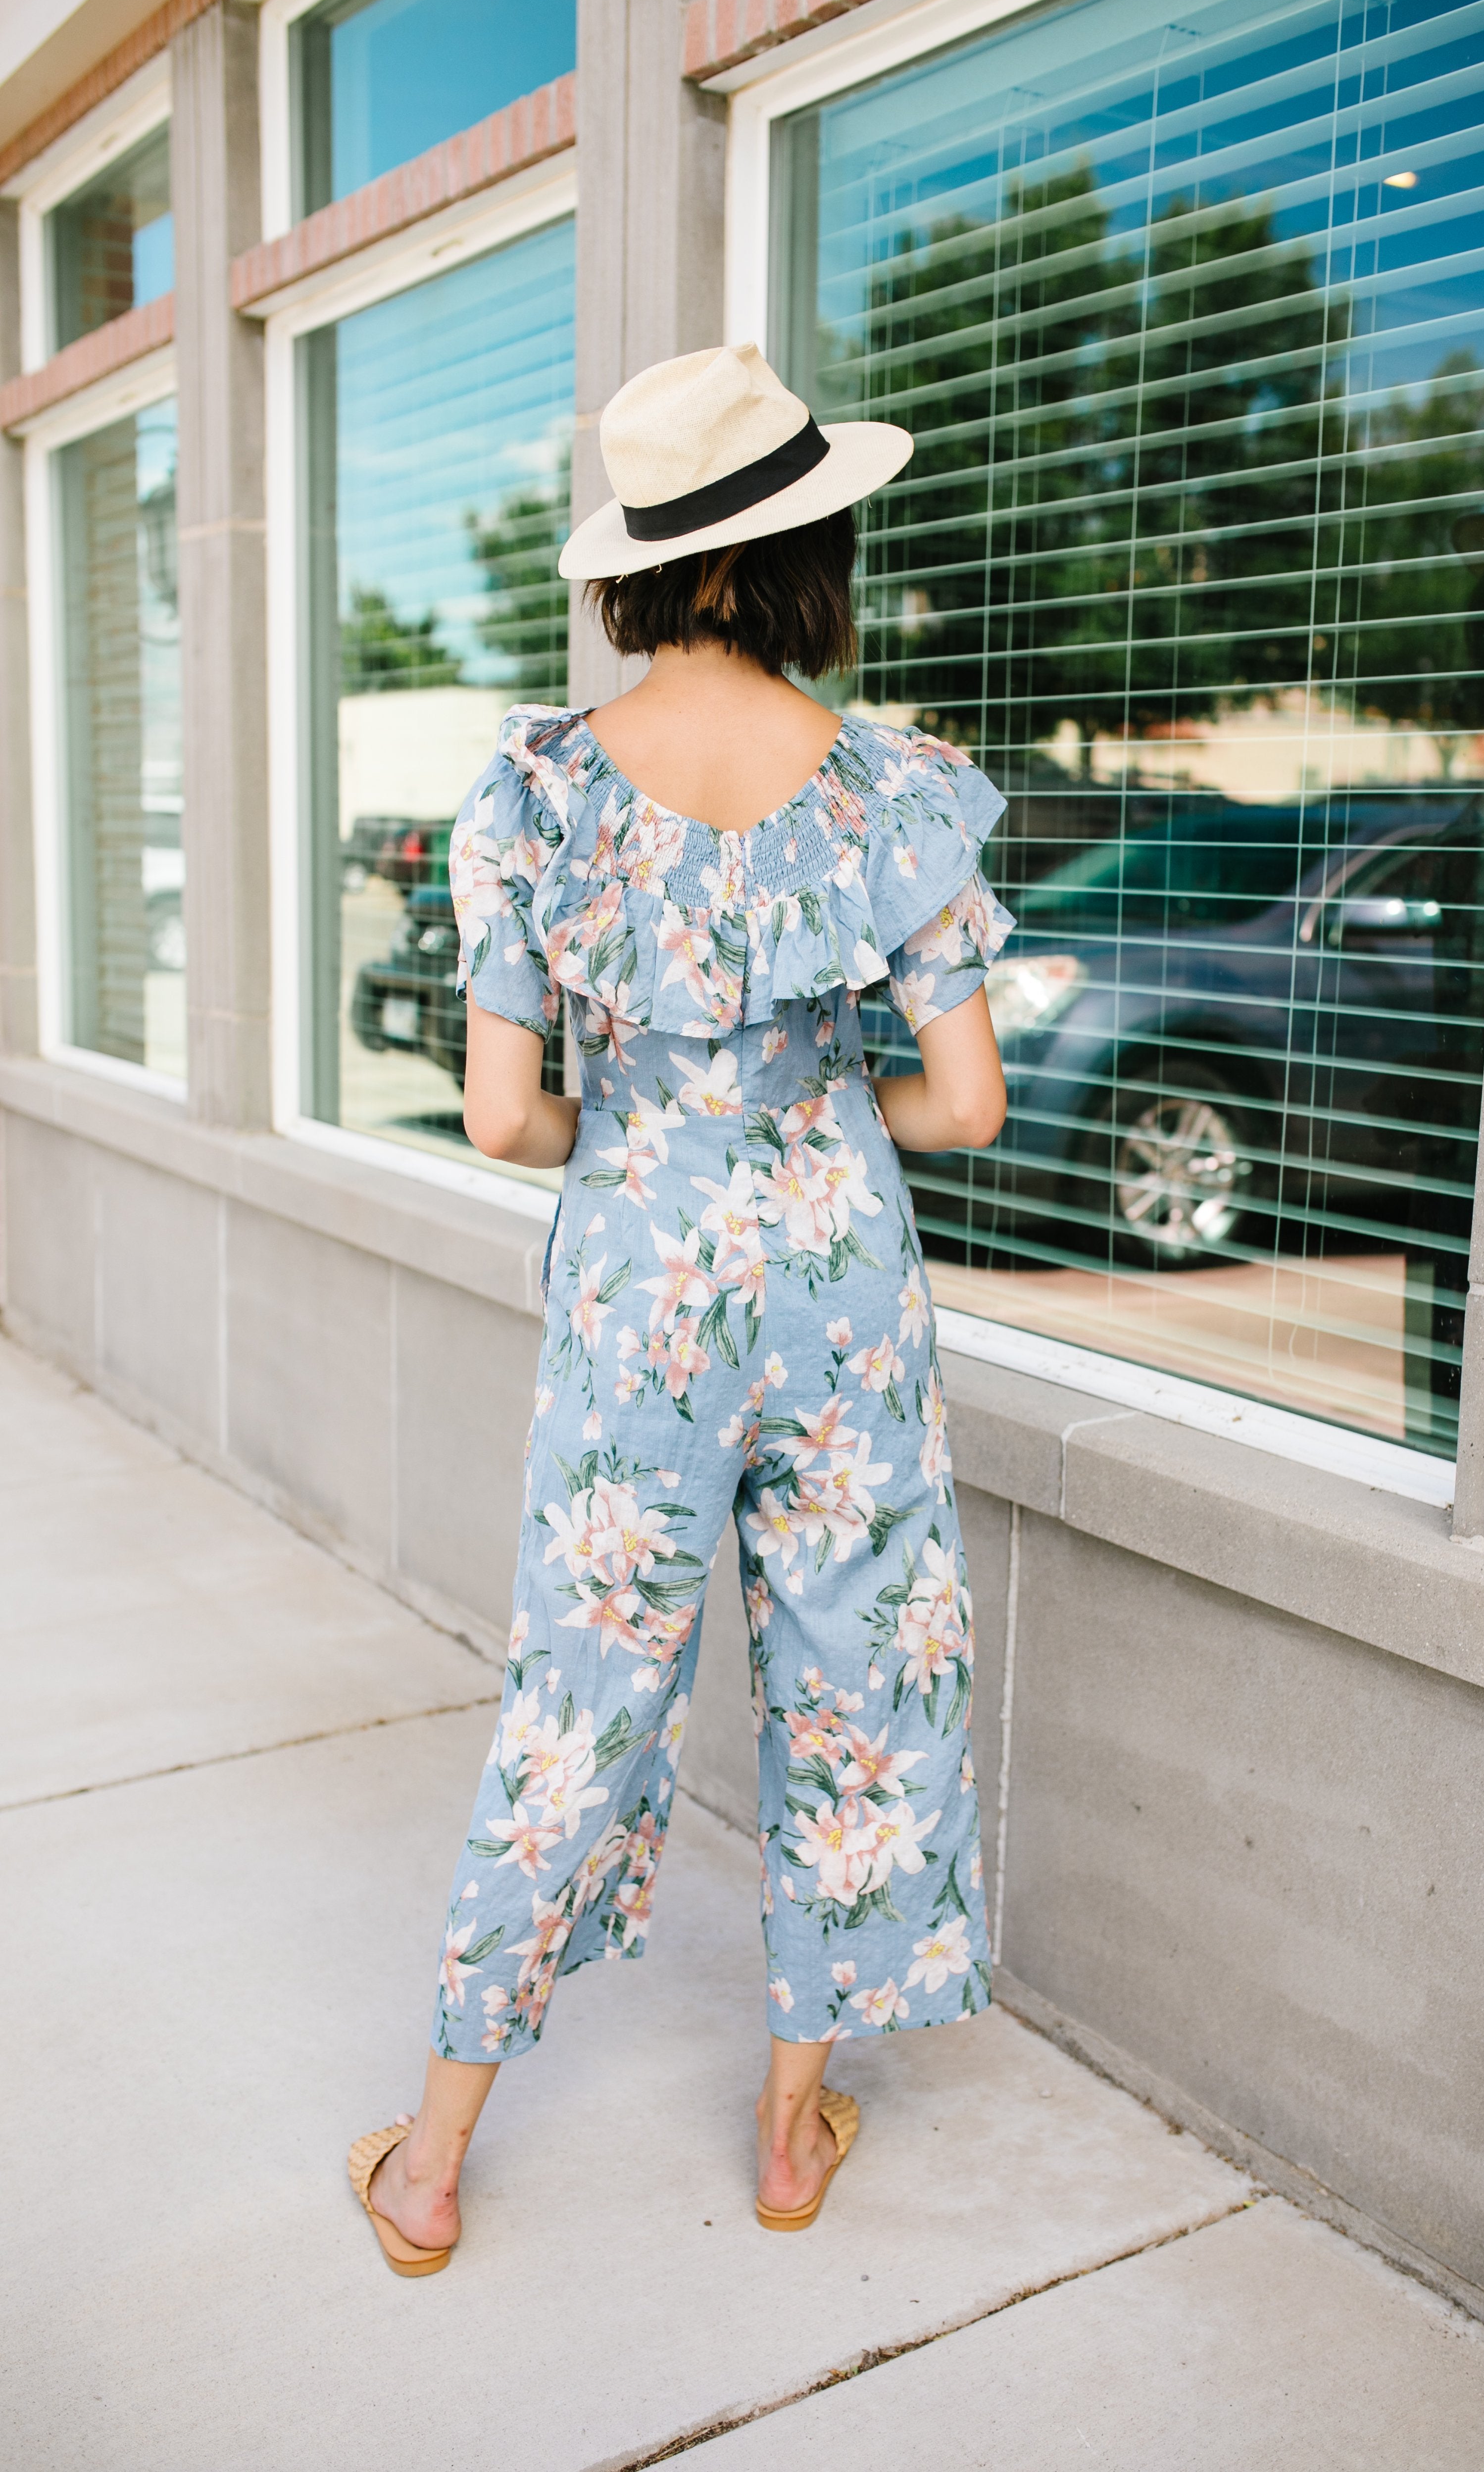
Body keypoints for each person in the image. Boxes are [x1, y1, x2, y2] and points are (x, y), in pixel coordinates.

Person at [348, 344, 1012, 2275]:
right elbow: (965, 1103)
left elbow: (497, 1112)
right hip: (839, 1279)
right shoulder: (892, 790)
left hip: (639, 1267)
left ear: (639, 565)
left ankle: (434, 2165)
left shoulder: (538, 789)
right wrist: (807, 1120)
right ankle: (794, 2131)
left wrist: (645, 1126)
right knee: (857, 1677)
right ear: (810, 557)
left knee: (583, 1692)